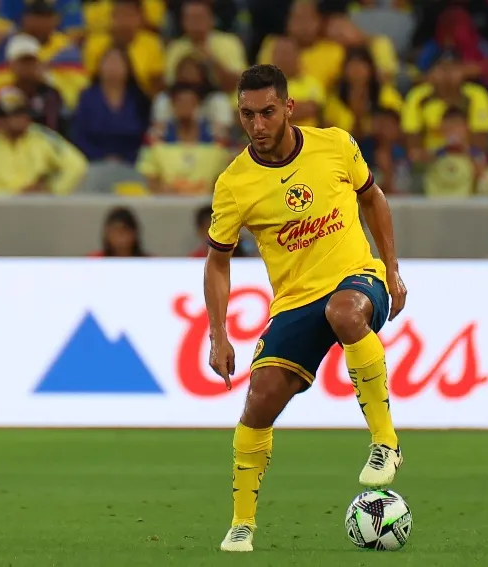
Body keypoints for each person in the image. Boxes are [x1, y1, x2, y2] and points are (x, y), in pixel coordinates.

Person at [205, 64, 407, 552]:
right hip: (295, 301)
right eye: (247, 114)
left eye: (268, 112)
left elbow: (372, 197)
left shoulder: (335, 144)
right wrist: (219, 334)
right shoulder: (234, 184)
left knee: (344, 313)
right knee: (260, 400)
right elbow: (217, 264)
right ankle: (242, 525)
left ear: (288, 108)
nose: (258, 125)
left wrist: (392, 268)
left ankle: (385, 443)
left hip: (356, 280)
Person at [0, 86, 88, 195]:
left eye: (24, 111)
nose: (23, 118)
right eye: (16, 114)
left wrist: (52, 190)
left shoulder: (42, 136)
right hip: (4, 211)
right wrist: (20, 197)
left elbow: (76, 165)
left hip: (43, 207)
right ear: (0, 119)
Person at [72, 47, 151, 164]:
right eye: (108, 62)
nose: (113, 67)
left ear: (128, 68)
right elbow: (79, 135)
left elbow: (146, 136)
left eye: (118, 63)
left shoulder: (138, 98)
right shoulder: (87, 97)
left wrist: (126, 159)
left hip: (133, 163)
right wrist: (102, 159)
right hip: (92, 163)